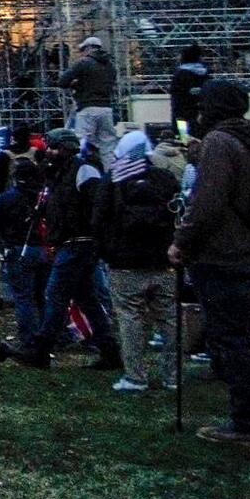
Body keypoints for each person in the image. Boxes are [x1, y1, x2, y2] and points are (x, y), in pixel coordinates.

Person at [169, 79, 250, 447]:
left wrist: (181, 244)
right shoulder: (246, 140)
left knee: (233, 342)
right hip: (248, 252)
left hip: (224, 256)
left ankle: (246, 422)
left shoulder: (220, 143)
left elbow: (207, 206)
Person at [10, 128, 121, 370]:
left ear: (68, 147)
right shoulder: (58, 175)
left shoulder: (83, 169)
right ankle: (110, 350)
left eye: (55, 147)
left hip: (79, 243)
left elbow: (97, 204)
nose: (49, 152)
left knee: (55, 293)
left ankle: (41, 349)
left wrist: (94, 237)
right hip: (69, 243)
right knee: (87, 299)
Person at [95, 129, 180, 392]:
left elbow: (99, 219)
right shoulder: (166, 179)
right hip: (163, 260)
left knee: (130, 318)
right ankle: (173, 376)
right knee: (169, 318)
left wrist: (107, 252)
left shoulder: (114, 180)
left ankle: (135, 376)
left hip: (125, 262)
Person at [0, 156, 48, 350]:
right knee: (42, 296)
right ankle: (48, 335)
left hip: (18, 248)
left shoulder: (7, 198)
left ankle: (29, 338)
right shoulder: (43, 197)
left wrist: (2, 244)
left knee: (23, 297)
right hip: (43, 249)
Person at [60, 35, 119, 162]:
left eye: (82, 50)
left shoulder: (83, 63)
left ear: (88, 48)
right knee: (108, 146)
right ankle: (110, 175)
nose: (81, 53)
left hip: (87, 108)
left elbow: (63, 81)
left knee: (81, 143)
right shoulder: (111, 66)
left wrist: (76, 84)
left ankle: (83, 173)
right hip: (106, 109)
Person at [170, 46, 210, 138]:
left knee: (183, 140)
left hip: (182, 117)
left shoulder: (180, 75)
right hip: (201, 116)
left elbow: (176, 100)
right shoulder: (205, 74)